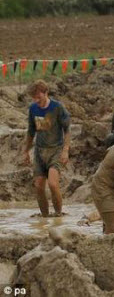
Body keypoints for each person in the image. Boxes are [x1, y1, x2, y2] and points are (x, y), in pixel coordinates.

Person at [19, 80, 70, 217]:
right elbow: (31, 131)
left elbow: (67, 129)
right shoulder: (33, 109)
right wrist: (25, 151)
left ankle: (58, 215)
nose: (36, 100)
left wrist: (66, 150)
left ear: (46, 93)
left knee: (53, 184)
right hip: (39, 151)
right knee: (39, 186)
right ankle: (45, 217)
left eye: (39, 97)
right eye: (34, 98)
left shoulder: (57, 107)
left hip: (56, 150)